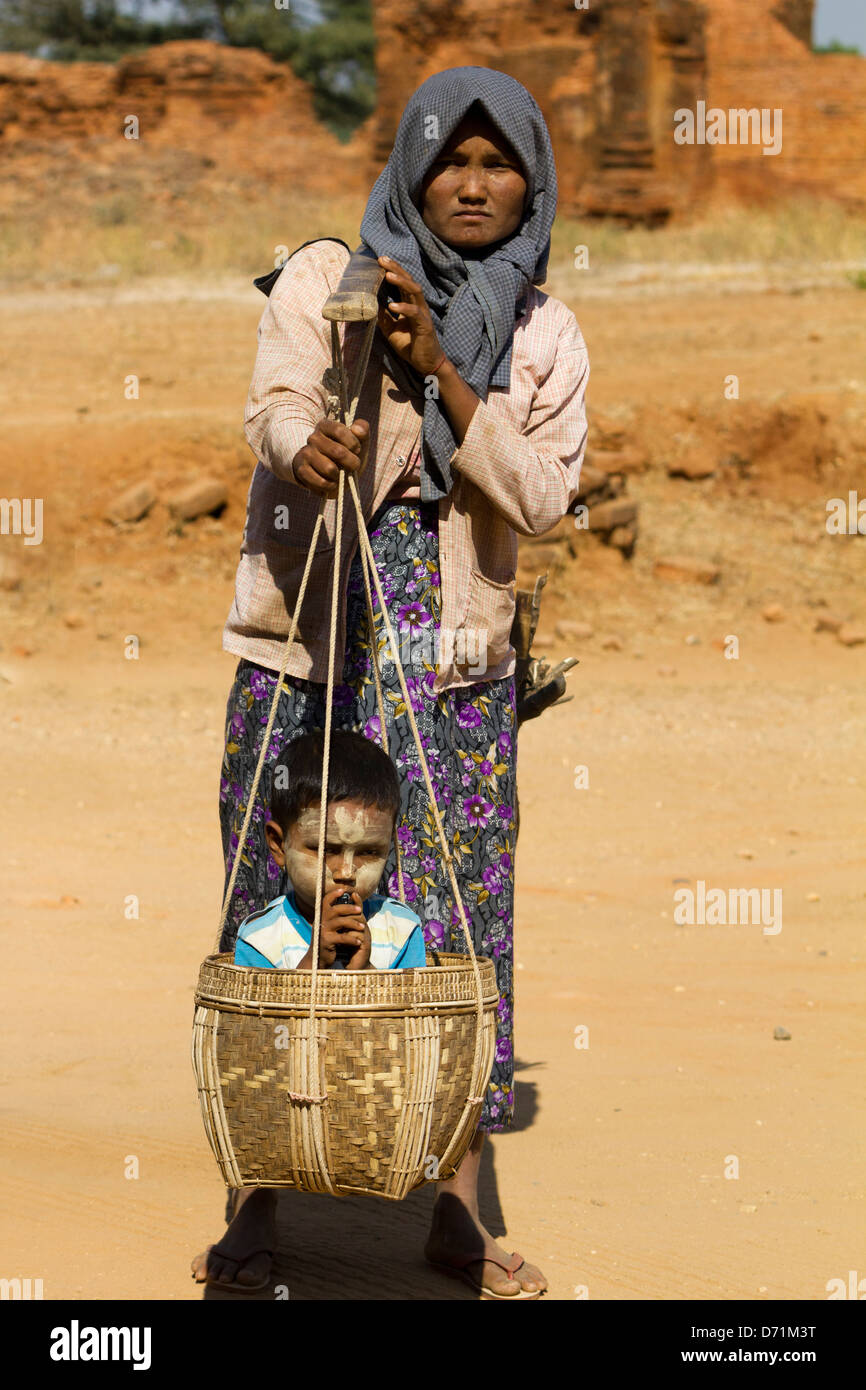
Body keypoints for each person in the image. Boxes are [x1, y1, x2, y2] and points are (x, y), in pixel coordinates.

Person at [193, 65, 589, 1300]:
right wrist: (306, 437)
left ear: (530, 180)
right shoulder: (327, 278)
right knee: (282, 905)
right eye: (448, 160)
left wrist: (445, 375)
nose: (471, 184)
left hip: (453, 665)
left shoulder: (545, 331)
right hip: (316, 637)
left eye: (497, 162)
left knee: (457, 924)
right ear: (410, 169)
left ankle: (454, 1216)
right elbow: (269, 403)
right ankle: (254, 1202)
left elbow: (539, 494)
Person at [233, 730, 426, 972]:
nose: (346, 872)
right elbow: (258, 1009)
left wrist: (366, 970)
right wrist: (314, 962)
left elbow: (411, 1008)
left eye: (368, 852)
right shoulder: (261, 940)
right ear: (279, 845)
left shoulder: (401, 930)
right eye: (326, 850)